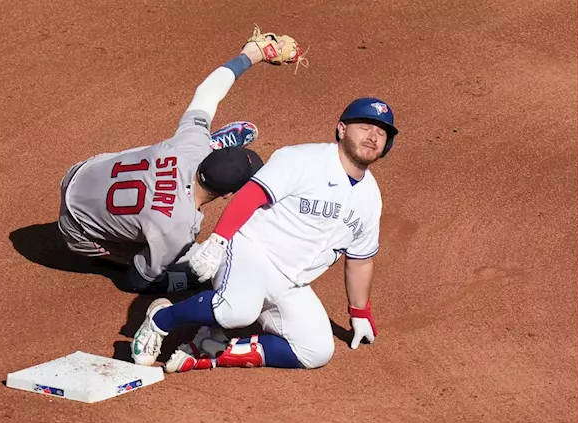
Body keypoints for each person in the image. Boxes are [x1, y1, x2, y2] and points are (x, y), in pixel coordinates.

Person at [131, 96, 400, 372]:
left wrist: (359, 313)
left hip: (292, 281)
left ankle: (214, 349)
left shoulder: (371, 198)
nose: (373, 136)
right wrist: (218, 241)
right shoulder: (303, 159)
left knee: (317, 350)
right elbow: (251, 195)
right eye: (365, 127)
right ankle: (161, 319)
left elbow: (360, 259)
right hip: (251, 251)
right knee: (237, 310)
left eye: (381, 133)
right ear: (342, 129)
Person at [57, 41, 271, 294]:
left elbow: (207, 92)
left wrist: (249, 56)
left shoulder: (189, 145)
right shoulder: (178, 229)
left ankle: (211, 144)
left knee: (172, 150)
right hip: (77, 229)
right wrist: (188, 282)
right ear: (227, 194)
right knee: (195, 268)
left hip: (79, 172)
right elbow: (136, 280)